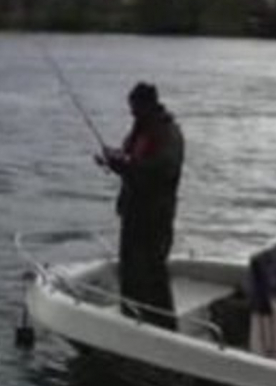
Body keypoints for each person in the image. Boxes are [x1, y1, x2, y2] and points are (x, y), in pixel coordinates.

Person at [95, 82, 184, 330]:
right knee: (131, 270)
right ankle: (132, 320)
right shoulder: (140, 131)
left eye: (135, 108)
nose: (132, 113)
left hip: (155, 216)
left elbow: (160, 170)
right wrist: (111, 159)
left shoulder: (169, 135)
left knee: (153, 272)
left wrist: (124, 166)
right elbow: (130, 159)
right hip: (133, 213)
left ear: (148, 105)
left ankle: (165, 327)